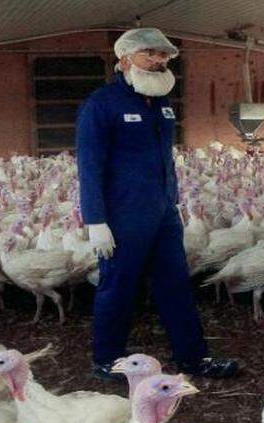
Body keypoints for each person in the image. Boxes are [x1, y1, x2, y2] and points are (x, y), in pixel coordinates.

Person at [76, 28, 238, 382]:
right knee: (118, 286)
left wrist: (174, 202)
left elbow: (165, 159)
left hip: (162, 213)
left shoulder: (160, 104)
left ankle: (194, 359)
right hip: (122, 215)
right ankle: (108, 360)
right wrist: (95, 220)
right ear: (124, 59)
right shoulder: (101, 104)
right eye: (150, 53)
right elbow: (89, 166)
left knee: (176, 284)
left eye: (164, 55)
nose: (159, 60)